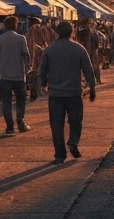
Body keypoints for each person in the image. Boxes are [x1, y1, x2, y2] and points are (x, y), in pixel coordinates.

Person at [37, 22, 96, 164]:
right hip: (74, 93)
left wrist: (40, 86)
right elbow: (88, 70)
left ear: (56, 32)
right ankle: (73, 141)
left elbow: (41, 72)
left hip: (56, 95)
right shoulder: (79, 49)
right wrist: (92, 88)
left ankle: (59, 155)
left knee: (56, 125)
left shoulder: (49, 50)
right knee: (75, 121)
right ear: (72, 32)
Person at [0, 16, 31, 135]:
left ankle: (10, 127)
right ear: (16, 25)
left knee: (6, 102)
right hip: (18, 75)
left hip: (4, 76)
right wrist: (28, 68)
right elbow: (26, 55)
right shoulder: (21, 38)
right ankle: (20, 121)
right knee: (20, 100)